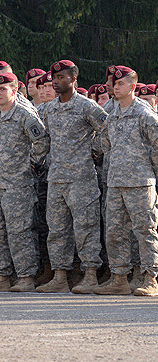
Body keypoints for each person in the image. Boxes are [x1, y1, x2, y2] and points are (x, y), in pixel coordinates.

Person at [36, 60, 107, 294]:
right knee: (57, 230)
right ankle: (60, 276)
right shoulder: (48, 109)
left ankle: (90, 275)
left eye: (61, 78)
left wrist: (93, 149)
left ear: (73, 79)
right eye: (54, 78)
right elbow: (42, 139)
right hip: (56, 178)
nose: (56, 82)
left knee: (86, 228)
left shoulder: (86, 107)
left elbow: (108, 130)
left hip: (81, 178)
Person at [0, 73, 49, 292]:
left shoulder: (24, 114)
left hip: (19, 183)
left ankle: (26, 276)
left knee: (20, 231)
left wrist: (30, 164)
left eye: (3, 90)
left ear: (14, 90)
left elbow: (41, 141)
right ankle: (1, 275)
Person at [95, 66, 158, 296]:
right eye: (113, 83)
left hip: (140, 183)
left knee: (145, 230)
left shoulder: (144, 114)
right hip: (116, 183)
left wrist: (150, 174)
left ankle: (151, 278)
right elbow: (106, 147)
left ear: (132, 87)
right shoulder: (113, 115)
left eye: (119, 84)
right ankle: (119, 277)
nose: (114, 87)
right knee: (115, 231)